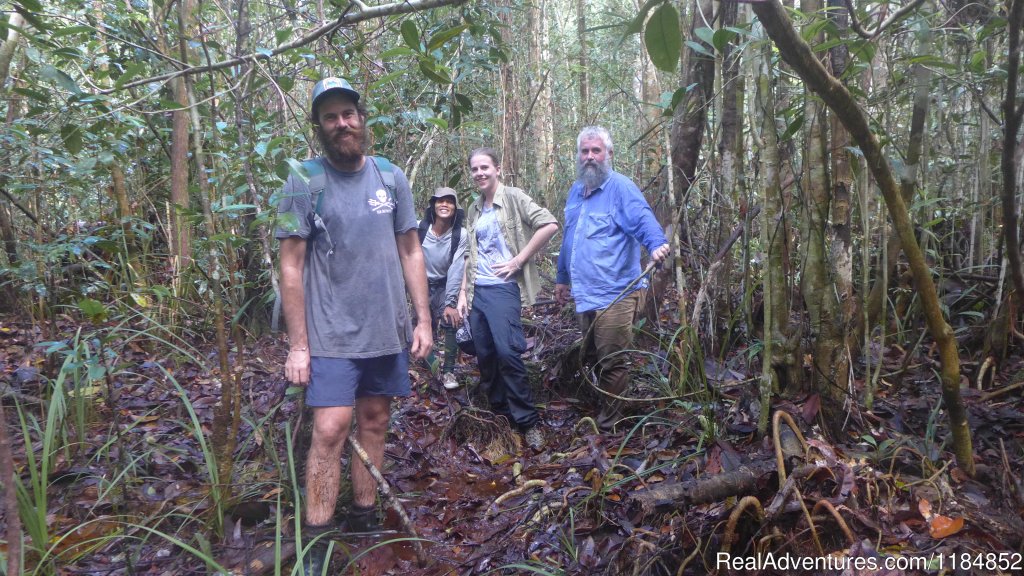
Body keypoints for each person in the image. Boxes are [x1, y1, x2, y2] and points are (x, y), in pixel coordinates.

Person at [275, 77, 432, 575]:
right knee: (330, 428)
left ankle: (365, 518)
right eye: (330, 116)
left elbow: (411, 249)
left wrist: (423, 318)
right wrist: (298, 347)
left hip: (385, 328)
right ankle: (317, 536)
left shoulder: (391, 178)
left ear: (362, 118)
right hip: (331, 333)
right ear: (318, 126)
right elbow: (291, 267)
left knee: (375, 422)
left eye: (348, 113)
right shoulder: (303, 180)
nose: (342, 123)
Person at [554, 126, 670, 433]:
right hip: (586, 292)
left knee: (613, 359)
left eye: (596, 151)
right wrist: (562, 278)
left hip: (617, 292)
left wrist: (656, 244)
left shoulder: (621, 188)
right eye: (585, 151)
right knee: (590, 354)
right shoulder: (576, 191)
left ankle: (610, 424)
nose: (590, 157)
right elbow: (570, 239)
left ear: (609, 154)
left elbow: (643, 218)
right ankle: (602, 405)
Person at [457, 148, 559, 451]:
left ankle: (527, 422)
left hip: (503, 289)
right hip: (478, 290)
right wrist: (463, 292)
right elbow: (469, 255)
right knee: (485, 355)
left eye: (484, 167)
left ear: (497, 169)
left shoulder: (513, 197)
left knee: (507, 353)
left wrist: (518, 260)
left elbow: (550, 224)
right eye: (474, 169)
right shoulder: (474, 208)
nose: (479, 174)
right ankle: (501, 417)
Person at [417, 187, 468, 390]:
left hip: (445, 283)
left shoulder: (460, 235)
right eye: (440, 201)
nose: (444, 204)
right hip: (422, 284)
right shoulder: (419, 229)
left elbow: (457, 267)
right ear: (433, 205)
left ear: (455, 208)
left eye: (449, 201)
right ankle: (432, 365)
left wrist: (451, 302)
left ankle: (448, 371)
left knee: (450, 320)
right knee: (420, 324)